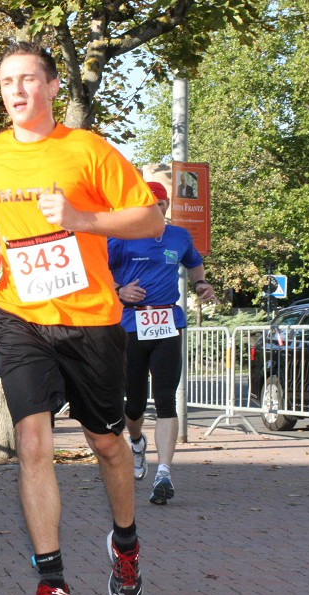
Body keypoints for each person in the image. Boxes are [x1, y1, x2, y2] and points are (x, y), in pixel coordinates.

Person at [0, 41, 165, 595]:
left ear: (52, 88)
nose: (17, 90)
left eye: (28, 79)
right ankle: (53, 585)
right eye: (6, 82)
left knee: (106, 444)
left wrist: (81, 220)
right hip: (21, 318)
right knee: (31, 442)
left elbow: (151, 220)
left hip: (92, 321)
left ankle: (125, 541)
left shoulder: (88, 151)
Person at [108, 181, 216, 505]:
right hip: (132, 324)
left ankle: (164, 473)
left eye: (161, 204)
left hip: (169, 322)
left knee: (166, 396)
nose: (156, 209)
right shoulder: (122, 235)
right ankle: (137, 442)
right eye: (150, 204)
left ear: (166, 205)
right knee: (135, 404)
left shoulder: (178, 236)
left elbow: (194, 260)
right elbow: (98, 269)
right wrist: (119, 292)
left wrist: (200, 283)